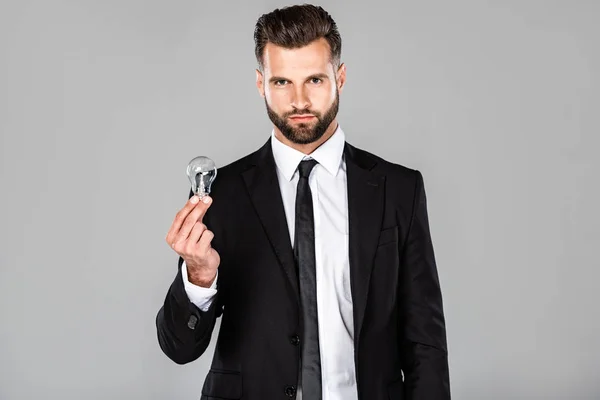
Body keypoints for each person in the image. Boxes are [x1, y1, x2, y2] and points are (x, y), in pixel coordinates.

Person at [156, 4, 450, 399]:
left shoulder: (399, 190)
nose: (298, 100)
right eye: (281, 82)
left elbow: (424, 343)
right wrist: (198, 277)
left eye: (314, 79)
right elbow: (178, 347)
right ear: (260, 84)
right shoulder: (219, 196)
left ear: (340, 77)